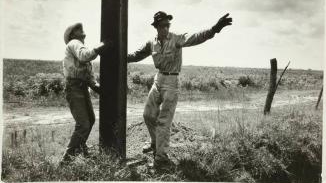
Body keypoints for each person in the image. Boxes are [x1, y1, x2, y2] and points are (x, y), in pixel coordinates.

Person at [127, 11, 232, 170]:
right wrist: (118, 55)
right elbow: (136, 55)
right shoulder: (152, 43)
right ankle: (155, 144)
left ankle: (161, 159)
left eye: (167, 25)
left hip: (171, 82)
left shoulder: (176, 38)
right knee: (148, 115)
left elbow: (196, 37)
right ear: (156, 27)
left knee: (163, 121)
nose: (165, 28)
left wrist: (214, 29)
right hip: (158, 79)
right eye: (162, 25)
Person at [60, 22, 109, 164]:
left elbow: (89, 76)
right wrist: (101, 46)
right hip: (74, 88)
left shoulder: (79, 47)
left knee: (90, 120)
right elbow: (84, 56)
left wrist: (99, 88)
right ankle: (66, 160)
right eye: (80, 30)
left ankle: (83, 149)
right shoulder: (74, 43)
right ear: (73, 34)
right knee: (83, 125)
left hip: (81, 88)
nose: (84, 33)